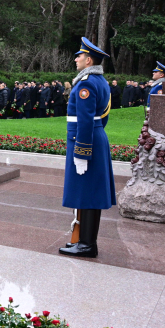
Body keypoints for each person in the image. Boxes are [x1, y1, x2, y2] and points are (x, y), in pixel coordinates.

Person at [60, 37, 115, 259]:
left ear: (89, 60)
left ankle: (87, 245)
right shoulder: (100, 81)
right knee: (89, 193)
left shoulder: (86, 84)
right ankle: (85, 242)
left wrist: (82, 152)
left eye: (79, 56)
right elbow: (103, 117)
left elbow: (85, 120)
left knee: (89, 194)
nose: (76, 59)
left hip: (86, 141)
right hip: (95, 137)